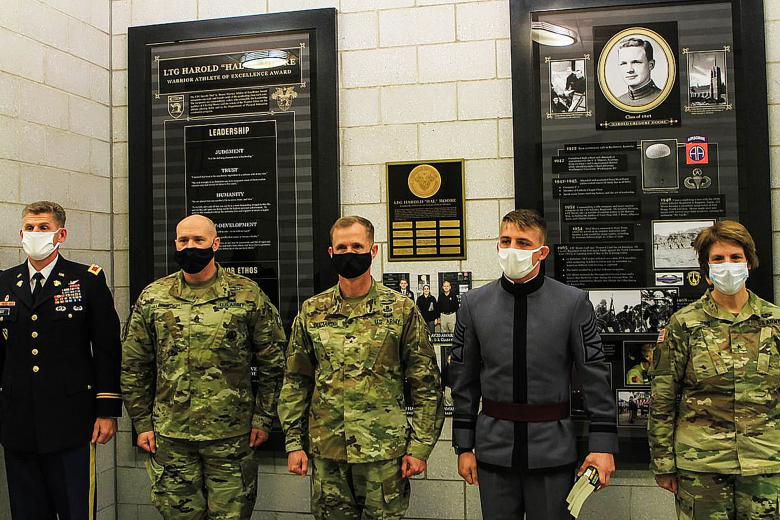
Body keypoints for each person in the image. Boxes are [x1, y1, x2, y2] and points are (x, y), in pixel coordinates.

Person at [449, 209, 617, 520]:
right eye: (506, 240)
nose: (512, 249)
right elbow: (464, 382)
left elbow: (595, 377)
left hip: (552, 451)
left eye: (523, 243)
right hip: (493, 451)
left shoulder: (572, 303)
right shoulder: (474, 305)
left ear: (542, 252)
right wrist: (464, 446)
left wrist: (603, 445)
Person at [278, 215, 444, 519]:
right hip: (327, 454)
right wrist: (293, 443)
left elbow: (426, 385)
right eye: (341, 248)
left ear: (374, 250)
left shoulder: (401, 310)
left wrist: (420, 447)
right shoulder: (313, 311)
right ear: (331, 254)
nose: (349, 253)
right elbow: (296, 380)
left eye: (357, 246)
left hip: (383, 455)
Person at [121, 214, 286, 519]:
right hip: (172, 436)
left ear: (215, 244)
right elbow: (134, 365)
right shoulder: (153, 297)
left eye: (198, 240)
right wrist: (142, 422)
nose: (190, 246)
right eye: (183, 240)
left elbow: (273, 363)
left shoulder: (247, 295)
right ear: (175, 244)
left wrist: (263, 418)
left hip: (230, 437)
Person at [649, 220, 780, 519]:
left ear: (749, 263)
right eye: (718, 259)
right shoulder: (684, 324)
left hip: (766, 463)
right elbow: (663, 398)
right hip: (701, 467)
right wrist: (664, 463)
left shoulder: (774, 321)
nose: (728, 265)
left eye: (735, 258)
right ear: (707, 269)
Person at [0, 201, 122, 519]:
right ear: (21, 233)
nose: (35, 234)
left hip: (71, 421)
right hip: (18, 424)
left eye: (43, 228)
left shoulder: (86, 280)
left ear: (60, 234)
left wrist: (107, 410)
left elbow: (107, 349)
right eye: (30, 228)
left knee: (75, 510)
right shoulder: (5, 283)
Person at [615, 38, 662, 107]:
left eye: (636, 62)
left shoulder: (664, 99)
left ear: (651, 65)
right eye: (623, 63)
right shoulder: (618, 102)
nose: (629, 70)